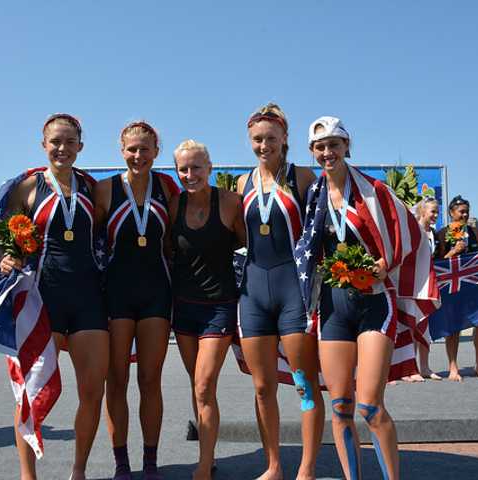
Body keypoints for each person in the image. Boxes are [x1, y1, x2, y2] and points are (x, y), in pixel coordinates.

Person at [296, 116, 437, 480]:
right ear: (313, 152)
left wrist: (384, 263)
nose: (328, 152)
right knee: (340, 406)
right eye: (320, 147)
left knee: (369, 406)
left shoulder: (375, 191)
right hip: (333, 306)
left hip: (375, 300)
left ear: (347, 147)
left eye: (334, 145)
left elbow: (411, 234)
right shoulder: (313, 196)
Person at [0, 113, 110, 480]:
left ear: (81, 145)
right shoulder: (27, 187)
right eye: (55, 142)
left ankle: (78, 471)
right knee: (28, 395)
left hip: (88, 300)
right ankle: (27, 476)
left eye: (69, 142)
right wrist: (7, 256)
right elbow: (4, 237)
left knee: (93, 392)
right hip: (40, 302)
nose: (62, 148)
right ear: (43, 145)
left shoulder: (94, 189)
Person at [235, 103, 323, 480]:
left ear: (285, 139)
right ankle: (273, 465)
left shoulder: (302, 177)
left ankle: (306, 467)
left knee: (304, 384)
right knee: (261, 386)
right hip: (253, 293)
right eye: (257, 139)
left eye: (271, 138)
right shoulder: (241, 184)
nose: (264, 145)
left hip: (294, 293)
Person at [94, 121, 178, 480]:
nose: (138, 156)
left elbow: (177, 242)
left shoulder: (168, 188)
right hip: (116, 294)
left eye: (145, 149)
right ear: (121, 150)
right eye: (132, 149)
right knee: (116, 380)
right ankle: (121, 464)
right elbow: (88, 241)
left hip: (156, 294)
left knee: (150, 380)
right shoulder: (104, 190)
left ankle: (150, 462)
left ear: (156, 152)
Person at [169, 139, 245, 479]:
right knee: (198, 386)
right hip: (183, 308)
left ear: (209, 167)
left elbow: (249, 248)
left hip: (220, 307)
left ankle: (202, 467)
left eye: (196, 167)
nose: (189, 174)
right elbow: (165, 252)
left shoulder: (230, 203)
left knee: (203, 385)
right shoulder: (173, 205)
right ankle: (209, 454)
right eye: (183, 169)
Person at [435, 195, 478, 381]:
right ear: (451, 213)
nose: (464, 215)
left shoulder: (477, 235)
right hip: (451, 288)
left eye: (467, 211)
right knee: (453, 327)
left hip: (473, 287)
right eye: (461, 211)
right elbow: (435, 264)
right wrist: (453, 251)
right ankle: (453, 367)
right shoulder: (440, 235)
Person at [402, 197, 442, 381]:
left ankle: (424, 367)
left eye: (437, 211)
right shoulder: (412, 230)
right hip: (411, 286)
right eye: (433, 211)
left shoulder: (435, 234)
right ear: (423, 211)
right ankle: (409, 368)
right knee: (410, 326)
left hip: (427, 287)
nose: (435, 215)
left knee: (424, 327)